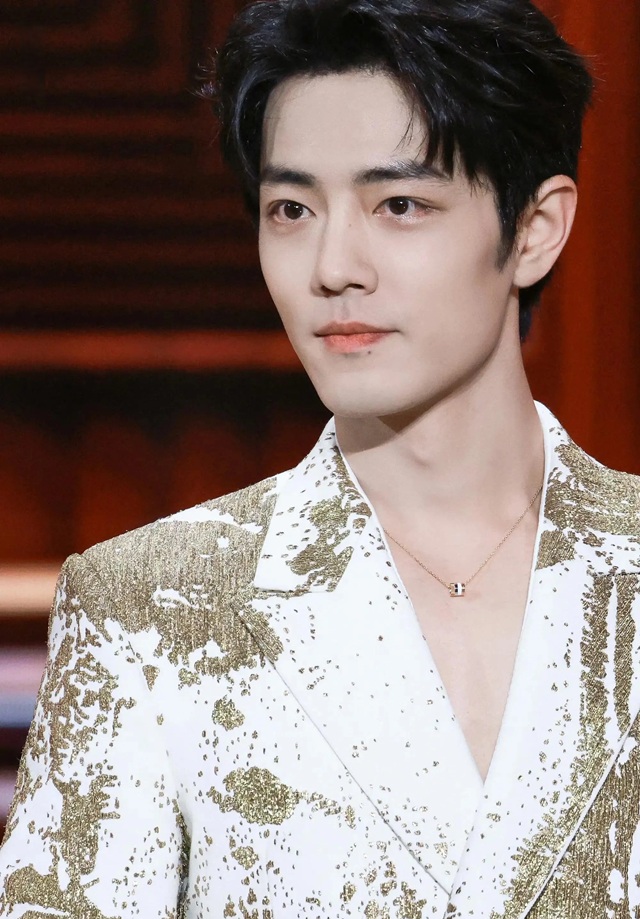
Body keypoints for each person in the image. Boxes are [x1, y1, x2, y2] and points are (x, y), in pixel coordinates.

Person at [2, 0, 638, 915]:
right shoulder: (149, 611)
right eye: (292, 209)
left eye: (400, 205)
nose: (334, 266)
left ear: (534, 229)